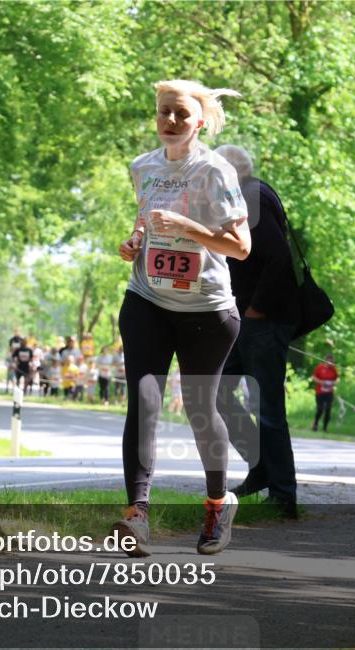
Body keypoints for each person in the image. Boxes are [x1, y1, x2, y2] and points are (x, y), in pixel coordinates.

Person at [110, 79, 250, 557]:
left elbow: (241, 247)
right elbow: (144, 222)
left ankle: (216, 504)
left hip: (206, 310)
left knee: (199, 410)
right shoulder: (142, 167)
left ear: (201, 122)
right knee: (143, 402)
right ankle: (137, 516)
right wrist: (132, 243)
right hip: (147, 299)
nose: (170, 121)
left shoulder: (215, 171)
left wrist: (189, 228)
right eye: (164, 112)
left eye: (181, 115)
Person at [211, 144, 302, 517]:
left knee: (265, 405)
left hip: (264, 318)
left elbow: (279, 258)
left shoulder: (251, 197)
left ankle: (283, 494)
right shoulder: (245, 194)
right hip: (245, 317)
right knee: (215, 391)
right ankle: (262, 467)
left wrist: (256, 309)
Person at [311, 355, 339, 432]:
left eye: (333, 362)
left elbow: (337, 379)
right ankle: (315, 423)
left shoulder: (334, 369)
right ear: (326, 360)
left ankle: (325, 427)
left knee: (328, 409)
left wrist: (333, 383)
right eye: (330, 361)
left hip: (329, 392)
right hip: (320, 391)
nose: (331, 363)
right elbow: (313, 377)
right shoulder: (320, 367)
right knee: (320, 409)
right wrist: (321, 382)